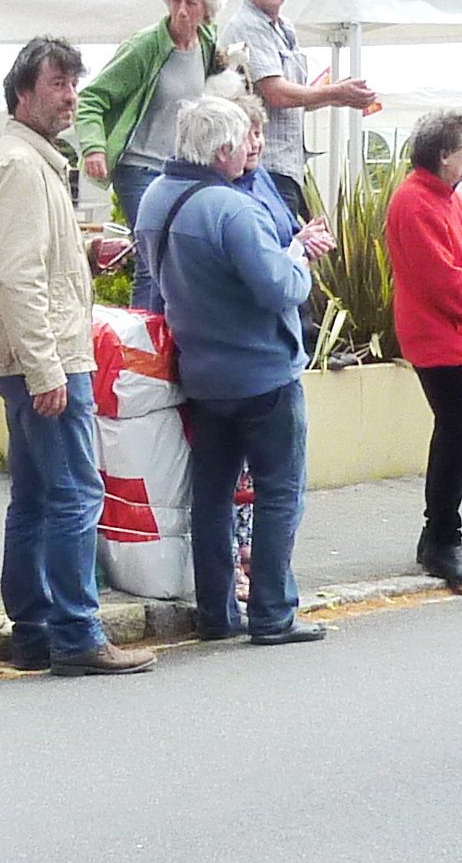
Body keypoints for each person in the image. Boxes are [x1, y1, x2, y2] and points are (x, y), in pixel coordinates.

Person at [0, 38, 155, 677]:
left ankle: (35, 628)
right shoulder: (24, 166)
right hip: (46, 361)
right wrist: (46, 367)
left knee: (35, 494)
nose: (72, 96)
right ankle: (77, 633)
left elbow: (27, 266)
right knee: (76, 494)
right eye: (58, 84)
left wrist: (81, 255)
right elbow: (17, 277)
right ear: (24, 92)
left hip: (29, 357)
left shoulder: (28, 160)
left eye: (74, 84)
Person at [138, 95, 328, 643]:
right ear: (222, 149)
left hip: (200, 371)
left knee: (212, 497)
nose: (251, 147)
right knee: (278, 492)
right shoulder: (231, 209)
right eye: (243, 138)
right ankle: (272, 613)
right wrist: (300, 257)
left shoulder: (155, 198)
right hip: (263, 373)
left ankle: (218, 613)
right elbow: (280, 289)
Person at [385, 110, 462, 591]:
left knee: (457, 434)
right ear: (442, 154)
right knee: (455, 436)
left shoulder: (444, 199)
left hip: (453, 333)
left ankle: (440, 534)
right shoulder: (415, 203)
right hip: (437, 337)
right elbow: (443, 278)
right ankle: (441, 539)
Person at [78, 0, 226, 242]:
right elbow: (91, 98)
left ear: (206, 10)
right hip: (139, 168)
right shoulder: (144, 47)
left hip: (181, 170)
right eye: (175, 1)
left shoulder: (207, 44)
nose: (181, 11)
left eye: (191, 3)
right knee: (151, 252)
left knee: (176, 255)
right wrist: (94, 148)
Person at [230, 0, 379, 216]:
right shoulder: (248, 25)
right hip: (262, 166)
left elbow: (297, 100)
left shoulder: (284, 27)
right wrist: (335, 91)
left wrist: (340, 96)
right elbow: (278, 95)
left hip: (288, 165)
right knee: (287, 247)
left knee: (304, 245)